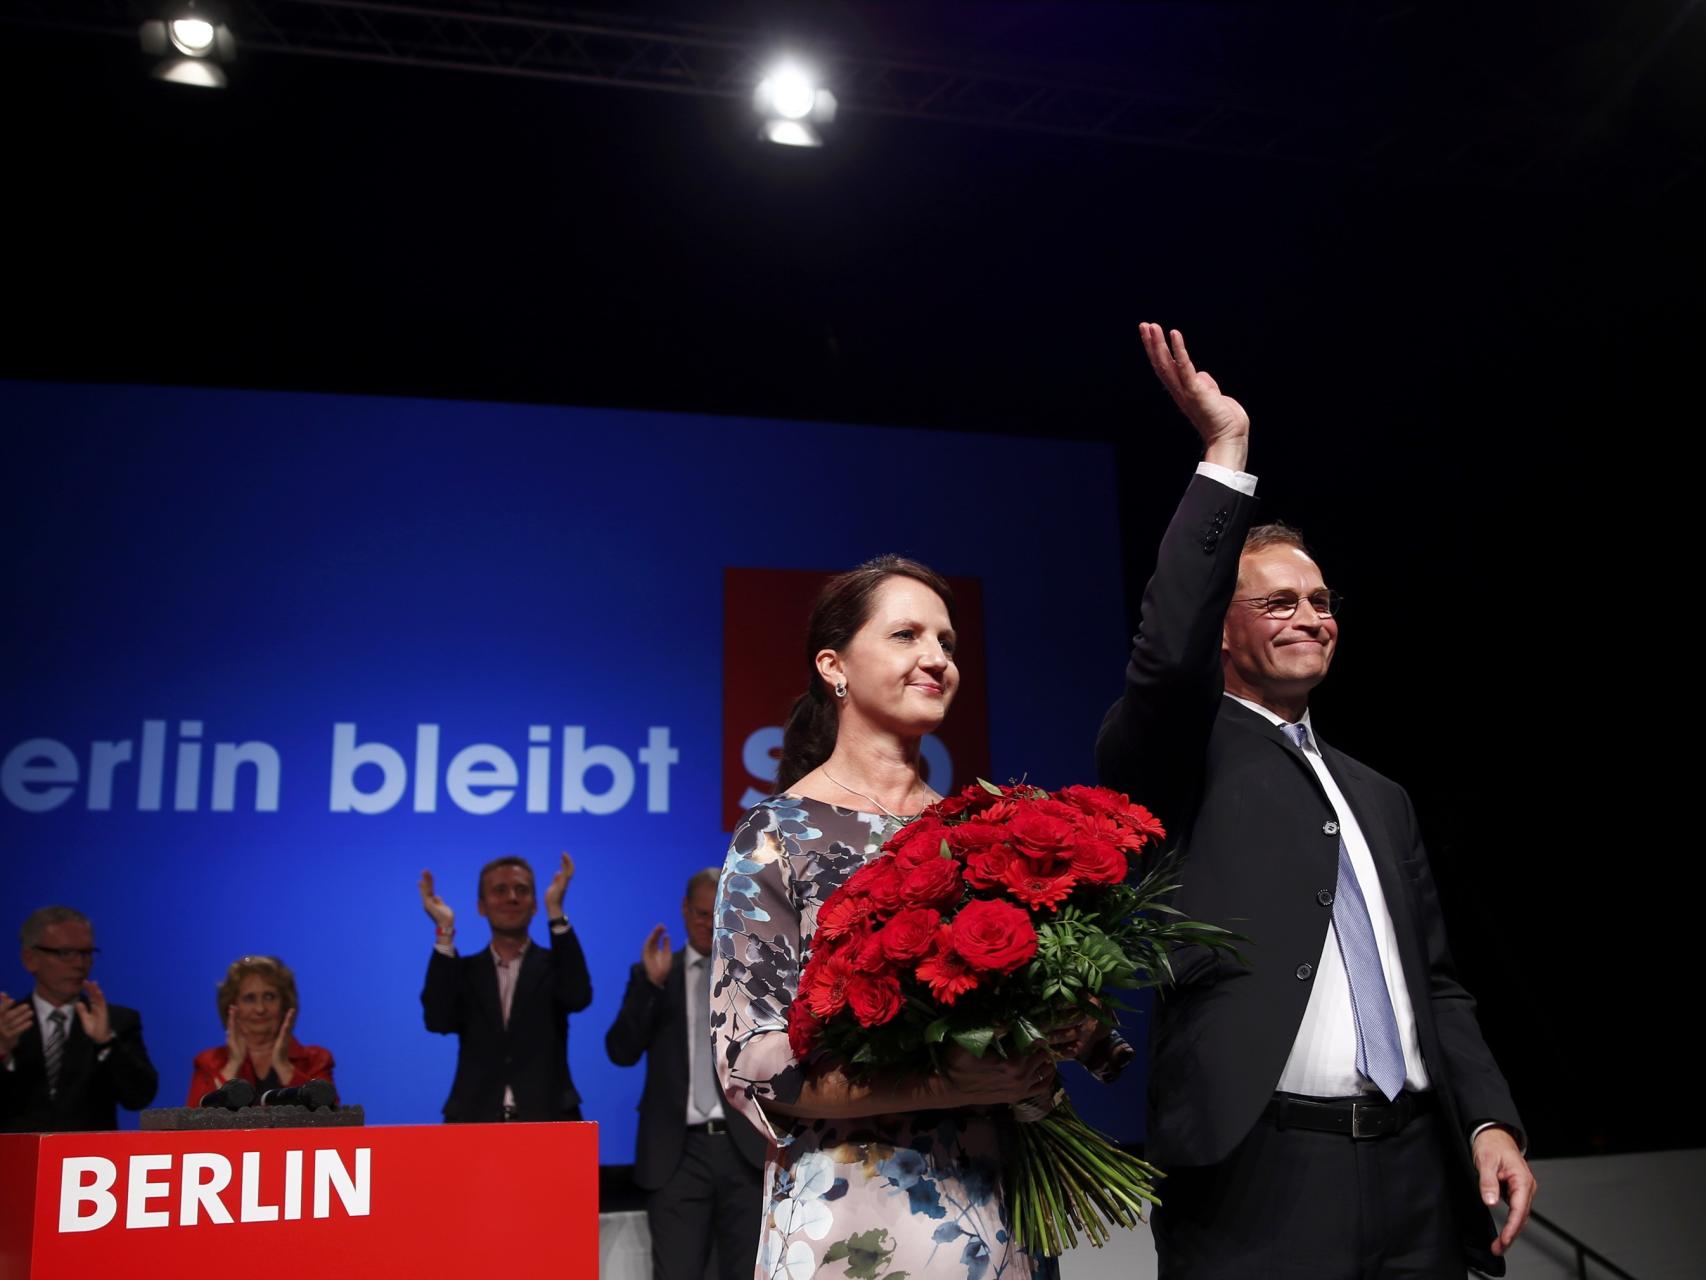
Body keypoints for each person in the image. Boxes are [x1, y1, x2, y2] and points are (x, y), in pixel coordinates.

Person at [1095, 322, 1536, 1278]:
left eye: (1323, 601)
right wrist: (1225, 456)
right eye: (1279, 602)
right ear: (1223, 628)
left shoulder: (1381, 795)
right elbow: (1167, 656)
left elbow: (1438, 981)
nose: (1312, 617)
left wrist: (1488, 1115)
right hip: (1261, 1177)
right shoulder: (1180, 752)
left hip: (1418, 1167)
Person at [714, 556, 1096, 1280]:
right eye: (906, 636)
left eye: (947, 643)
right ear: (835, 666)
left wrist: (1062, 1029)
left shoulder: (985, 829)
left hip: (998, 1212)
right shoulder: (777, 834)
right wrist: (954, 1081)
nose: (936, 659)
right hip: (852, 1222)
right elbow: (756, 1065)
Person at [607, 867, 767, 1280]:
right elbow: (620, 1052)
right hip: (677, 1155)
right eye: (699, 913)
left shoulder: (751, 977)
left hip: (744, 1151)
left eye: (717, 912)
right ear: (683, 911)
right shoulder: (655, 973)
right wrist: (652, 987)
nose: (708, 923)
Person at [419, 851, 593, 1122]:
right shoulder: (465, 972)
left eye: (521, 890)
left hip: (549, 1120)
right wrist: (444, 929)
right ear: (481, 906)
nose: (512, 897)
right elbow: (438, 1020)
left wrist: (556, 912)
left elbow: (578, 997)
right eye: (499, 890)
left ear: (535, 905)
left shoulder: (556, 966)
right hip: (475, 1121)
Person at [0, 905, 158, 1131]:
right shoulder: (7, 1023)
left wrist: (106, 1043)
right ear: (30, 959)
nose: (79, 964)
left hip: (87, 1161)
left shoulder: (117, 1021)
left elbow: (140, 1097)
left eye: (86, 954)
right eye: (66, 953)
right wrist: (2, 1052)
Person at [185, 955, 336, 1105]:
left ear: (285, 1005)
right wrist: (233, 1064)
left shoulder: (317, 1059)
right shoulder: (208, 1062)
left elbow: (332, 1118)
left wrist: (284, 1067)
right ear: (232, 1007)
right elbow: (193, 1121)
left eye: (269, 997)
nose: (260, 1008)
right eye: (249, 998)